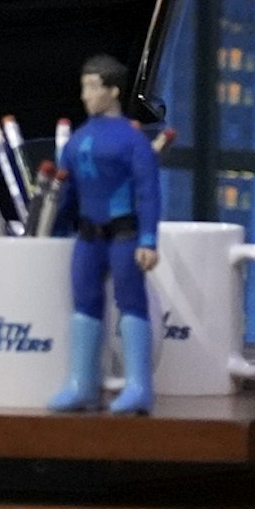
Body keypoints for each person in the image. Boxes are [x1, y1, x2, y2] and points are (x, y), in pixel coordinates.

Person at [44, 54, 163, 414]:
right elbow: (66, 194)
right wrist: (53, 232)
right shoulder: (77, 141)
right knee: (84, 304)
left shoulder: (133, 140)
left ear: (112, 91)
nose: (85, 95)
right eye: (84, 87)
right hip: (88, 238)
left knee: (131, 302)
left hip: (124, 235)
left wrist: (148, 240)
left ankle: (138, 386)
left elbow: (148, 192)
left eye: (92, 87)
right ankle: (82, 383)